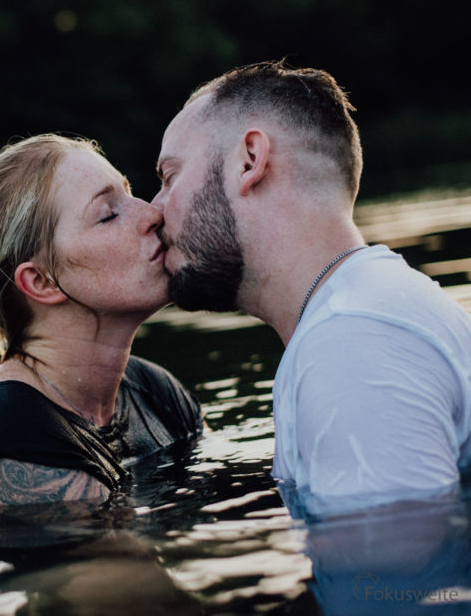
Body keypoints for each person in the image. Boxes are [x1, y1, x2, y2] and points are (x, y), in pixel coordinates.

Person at [151, 60, 471, 512]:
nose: (155, 209)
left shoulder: (351, 341)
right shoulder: (358, 313)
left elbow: (394, 574)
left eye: (169, 177)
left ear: (249, 160)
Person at [0, 133, 202, 508]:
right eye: (109, 214)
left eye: (129, 194)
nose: (151, 214)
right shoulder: (11, 432)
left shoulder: (154, 392)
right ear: (42, 282)